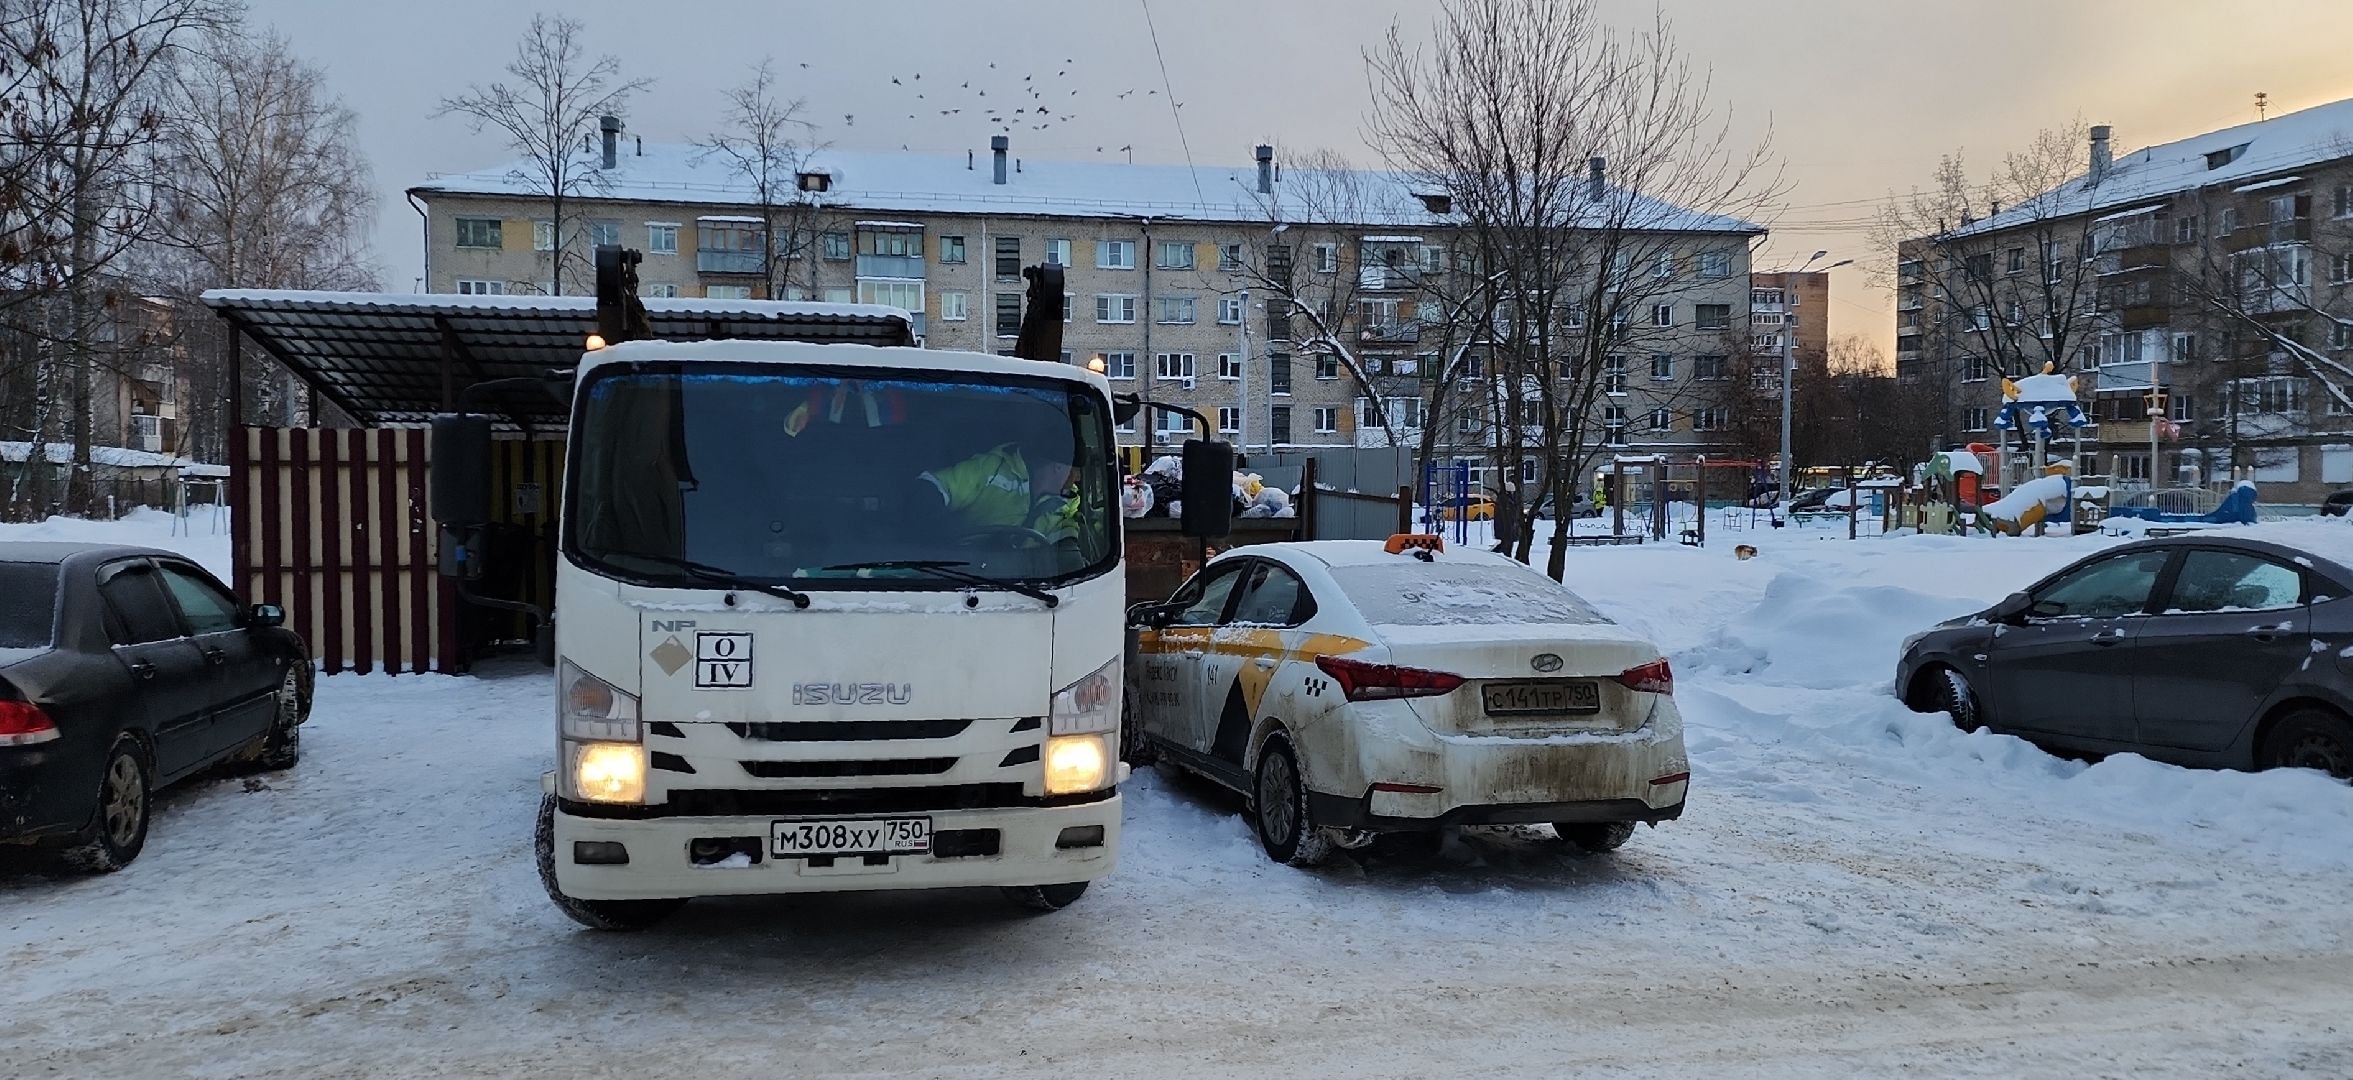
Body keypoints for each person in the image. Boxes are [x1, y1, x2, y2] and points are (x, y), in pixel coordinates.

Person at [920, 421, 1082, 542]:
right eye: (1075, 470)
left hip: (1032, 576)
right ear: (1058, 467)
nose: (1078, 478)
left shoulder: (1068, 503)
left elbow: (1067, 539)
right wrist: (927, 498)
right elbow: (940, 484)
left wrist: (1068, 549)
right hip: (959, 567)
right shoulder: (991, 470)